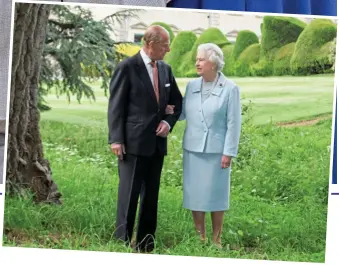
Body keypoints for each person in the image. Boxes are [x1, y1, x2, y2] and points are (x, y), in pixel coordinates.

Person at [107, 25, 183, 253]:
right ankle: (121, 243)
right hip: (132, 144)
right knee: (128, 196)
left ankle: (145, 246)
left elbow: (177, 103)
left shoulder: (166, 69)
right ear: (150, 44)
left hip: (157, 146)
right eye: (165, 45)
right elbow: (116, 107)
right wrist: (116, 139)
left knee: (151, 198)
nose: (169, 49)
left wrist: (168, 122)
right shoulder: (127, 67)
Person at [166, 43, 241, 248]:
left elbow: (234, 123)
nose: (197, 62)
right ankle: (200, 237)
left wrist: (229, 152)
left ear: (213, 63)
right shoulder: (192, 85)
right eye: (196, 59)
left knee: (216, 195)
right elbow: (183, 113)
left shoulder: (231, 88)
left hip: (217, 152)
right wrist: (167, 109)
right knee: (195, 194)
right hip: (193, 149)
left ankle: (216, 239)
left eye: (201, 59)